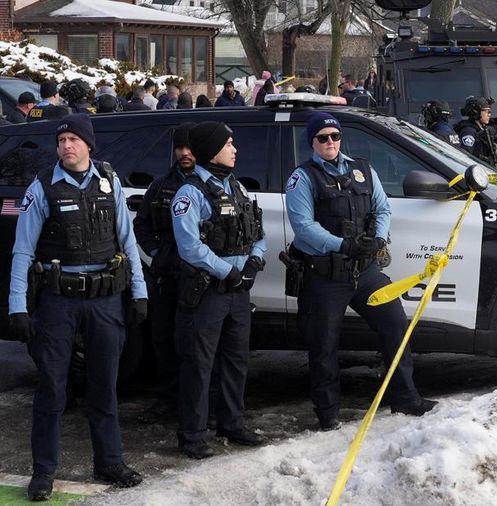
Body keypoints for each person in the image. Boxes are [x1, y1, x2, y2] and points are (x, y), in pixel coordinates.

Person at [7, 114, 147, 500]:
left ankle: (110, 461)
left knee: (105, 385)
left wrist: (139, 294)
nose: (66, 146)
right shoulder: (42, 188)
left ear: (89, 145)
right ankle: (43, 472)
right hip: (58, 302)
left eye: (73, 139)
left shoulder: (109, 181)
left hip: (104, 301)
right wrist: (17, 306)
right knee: (52, 388)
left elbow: (127, 241)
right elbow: (22, 250)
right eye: (61, 140)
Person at [284, 112, 437, 431]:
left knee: (396, 324)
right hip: (326, 275)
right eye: (323, 138)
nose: (330, 142)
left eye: (334, 136)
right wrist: (343, 245)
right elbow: (303, 227)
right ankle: (328, 414)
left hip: (365, 271)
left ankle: (406, 398)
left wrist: (378, 237)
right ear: (312, 141)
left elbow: (383, 207)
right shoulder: (302, 178)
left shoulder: (362, 169)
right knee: (323, 344)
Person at [171, 121, 266, 459]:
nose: (235, 150)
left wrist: (254, 261)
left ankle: (232, 422)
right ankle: (193, 434)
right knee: (199, 363)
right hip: (208, 290)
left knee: (236, 360)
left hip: (238, 290)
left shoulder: (236, 187)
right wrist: (229, 271)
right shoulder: (191, 192)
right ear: (212, 150)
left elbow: (257, 232)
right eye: (228, 144)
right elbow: (190, 247)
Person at [133, 123, 196, 424]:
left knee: (195, 342)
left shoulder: (211, 184)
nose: (184, 153)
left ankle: (196, 403)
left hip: (198, 279)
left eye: (190, 147)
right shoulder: (159, 185)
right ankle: (167, 399)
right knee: (163, 338)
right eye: (179, 148)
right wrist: (156, 252)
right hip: (166, 276)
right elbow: (141, 224)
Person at [455, 96, 497, 167]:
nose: (489, 114)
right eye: (487, 111)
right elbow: (465, 156)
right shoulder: (468, 131)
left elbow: (490, 130)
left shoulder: (480, 129)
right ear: (475, 113)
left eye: (490, 111)